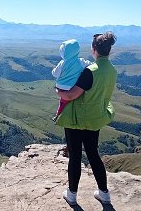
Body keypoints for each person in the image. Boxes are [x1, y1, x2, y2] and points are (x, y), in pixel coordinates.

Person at [55, 32, 117, 206]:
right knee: (93, 153)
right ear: (109, 50)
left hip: (77, 118)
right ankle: (104, 194)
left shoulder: (90, 71)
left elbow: (71, 95)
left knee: (75, 155)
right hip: (96, 117)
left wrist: (58, 91)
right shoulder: (111, 70)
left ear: (94, 48)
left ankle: (72, 195)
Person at [51, 39, 91, 121]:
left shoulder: (62, 63)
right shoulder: (80, 61)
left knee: (62, 102)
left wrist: (54, 70)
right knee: (69, 101)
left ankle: (58, 116)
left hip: (61, 87)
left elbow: (55, 74)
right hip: (73, 87)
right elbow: (90, 65)